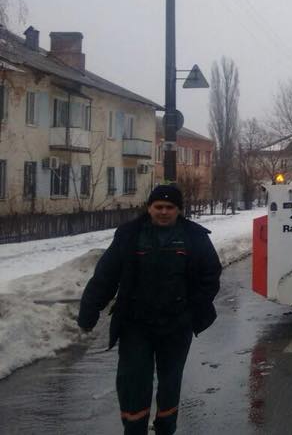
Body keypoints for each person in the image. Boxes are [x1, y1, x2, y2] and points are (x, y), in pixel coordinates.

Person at [77, 184, 222, 435]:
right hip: (136, 325)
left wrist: (192, 309)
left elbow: (210, 274)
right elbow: (106, 275)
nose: (163, 212)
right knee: (133, 381)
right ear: (149, 208)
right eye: (158, 207)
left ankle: (165, 428)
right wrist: (89, 309)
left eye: (170, 207)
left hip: (176, 326)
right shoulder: (130, 235)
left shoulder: (194, 237)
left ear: (179, 210)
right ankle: (134, 429)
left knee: (170, 382)